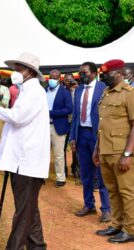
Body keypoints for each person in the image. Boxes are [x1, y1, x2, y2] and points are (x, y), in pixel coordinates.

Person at [0, 52, 50, 249]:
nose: (15, 72)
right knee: (29, 208)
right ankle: (37, 246)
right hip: (21, 161)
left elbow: (17, 117)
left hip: (27, 162)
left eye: (19, 69)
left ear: (30, 71)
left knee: (23, 211)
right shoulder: (27, 90)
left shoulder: (34, 92)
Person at [94, 59, 134, 243]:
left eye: (106, 74)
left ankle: (130, 229)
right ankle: (117, 224)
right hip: (106, 150)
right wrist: (97, 148)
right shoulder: (106, 93)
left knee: (127, 191)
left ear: (118, 74)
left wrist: (128, 154)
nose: (103, 77)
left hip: (121, 152)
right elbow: (102, 125)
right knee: (113, 190)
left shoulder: (129, 94)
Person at [70, 62, 111, 222]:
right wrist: (73, 136)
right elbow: (75, 115)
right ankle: (89, 205)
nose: (81, 75)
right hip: (81, 134)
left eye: (84, 73)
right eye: (80, 73)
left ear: (94, 73)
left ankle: (106, 209)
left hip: (98, 136)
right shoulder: (79, 89)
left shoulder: (104, 88)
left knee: (101, 174)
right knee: (85, 173)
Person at [47, 69, 73, 187]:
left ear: (59, 79)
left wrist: (52, 113)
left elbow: (69, 109)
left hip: (58, 126)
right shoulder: (44, 90)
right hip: (43, 127)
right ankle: (41, 176)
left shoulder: (64, 92)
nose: (52, 80)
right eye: (51, 77)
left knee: (58, 154)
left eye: (55, 78)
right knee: (43, 153)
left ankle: (60, 178)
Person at [63, 73, 80, 178]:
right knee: (62, 148)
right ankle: (63, 170)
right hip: (64, 123)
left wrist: (74, 89)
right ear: (63, 81)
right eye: (66, 80)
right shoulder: (61, 91)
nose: (68, 82)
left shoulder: (78, 90)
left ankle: (76, 170)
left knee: (76, 147)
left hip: (75, 123)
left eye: (70, 80)